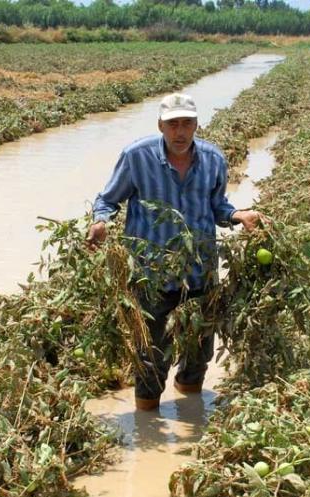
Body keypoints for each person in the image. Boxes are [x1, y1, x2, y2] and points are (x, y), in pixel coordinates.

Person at [86, 92, 265, 411]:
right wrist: (101, 222)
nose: (180, 132)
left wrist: (238, 215)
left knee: (200, 354)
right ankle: (147, 423)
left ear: (197, 124)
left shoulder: (213, 159)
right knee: (152, 358)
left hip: (200, 273)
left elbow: (217, 206)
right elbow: (108, 200)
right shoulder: (136, 157)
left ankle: (189, 402)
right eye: (173, 125)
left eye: (187, 124)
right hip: (150, 276)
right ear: (160, 126)